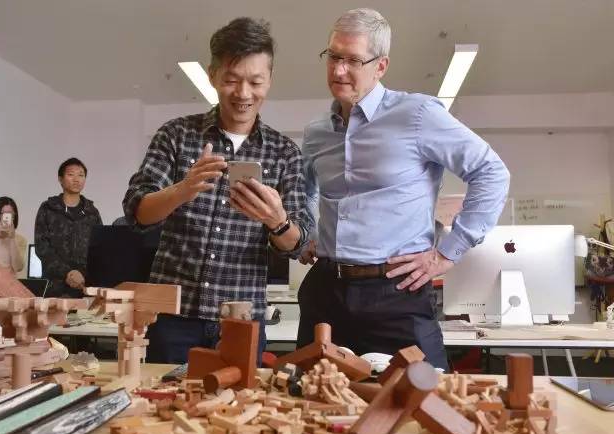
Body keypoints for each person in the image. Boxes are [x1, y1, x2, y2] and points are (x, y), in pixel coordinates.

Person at [298, 8, 510, 370]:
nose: (338, 70)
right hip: (326, 291)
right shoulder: (316, 132)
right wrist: (307, 234)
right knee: (313, 394)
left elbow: (491, 171)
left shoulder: (418, 115)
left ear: (380, 66)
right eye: (333, 56)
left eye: (353, 60)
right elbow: (304, 190)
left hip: (396, 293)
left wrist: (447, 253)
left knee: (425, 396)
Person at [123, 17, 311, 364]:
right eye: (231, 80)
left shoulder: (284, 152)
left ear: (269, 80)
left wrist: (277, 221)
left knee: (241, 400)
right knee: (161, 397)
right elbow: (137, 213)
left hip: (242, 319)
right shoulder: (176, 135)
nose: (243, 94)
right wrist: (182, 190)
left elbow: (298, 243)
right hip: (172, 318)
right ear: (212, 76)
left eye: (255, 81)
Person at [35, 157, 102, 298]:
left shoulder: (92, 212)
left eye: (81, 175)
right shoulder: (48, 208)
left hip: (85, 286)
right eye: (71, 174)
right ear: (60, 179)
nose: (76, 179)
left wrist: (82, 274)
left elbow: (99, 249)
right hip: (55, 287)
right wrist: (68, 273)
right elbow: (42, 247)